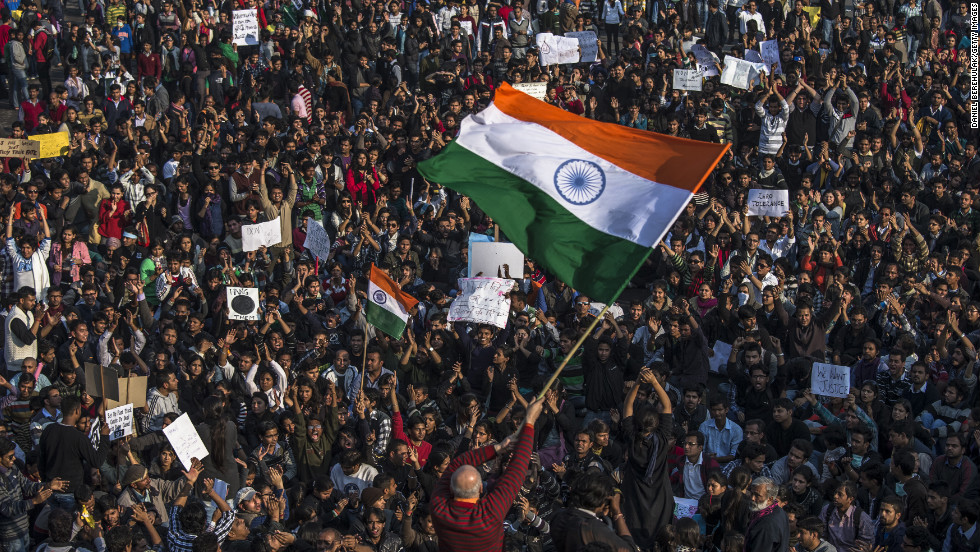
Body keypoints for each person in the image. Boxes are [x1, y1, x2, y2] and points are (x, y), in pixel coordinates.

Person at [430, 395, 545, 551]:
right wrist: (530, 421)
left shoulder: (439, 508)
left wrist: (497, 448)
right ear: (480, 489)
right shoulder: (488, 514)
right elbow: (517, 471)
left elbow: (455, 465)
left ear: (450, 488)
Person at [745, 476, 790, 552]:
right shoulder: (779, 511)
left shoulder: (765, 524)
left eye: (757, 495)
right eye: (751, 493)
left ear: (770, 499)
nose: (752, 498)